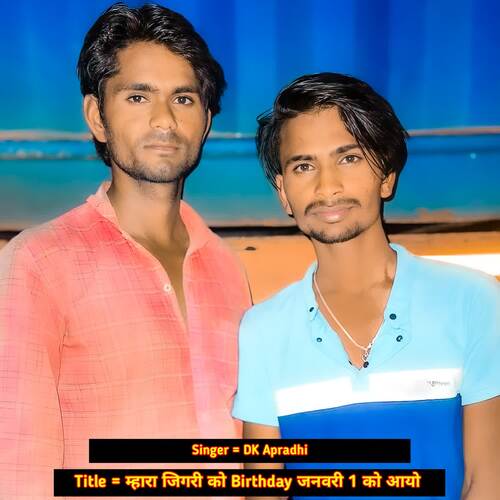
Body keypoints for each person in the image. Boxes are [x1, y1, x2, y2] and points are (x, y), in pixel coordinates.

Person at [0, 3, 250, 497]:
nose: (164, 120)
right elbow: (18, 464)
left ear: (205, 121)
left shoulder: (226, 269)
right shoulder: (40, 262)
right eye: (138, 97)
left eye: (183, 98)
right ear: (97, 116)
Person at [233, 73, 499, 499]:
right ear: (283, 192)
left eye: (349, 158)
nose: (327, 186)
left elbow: (486, 480)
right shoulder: (262, 330)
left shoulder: (473, 301)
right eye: (304, 166)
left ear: (386, 174)